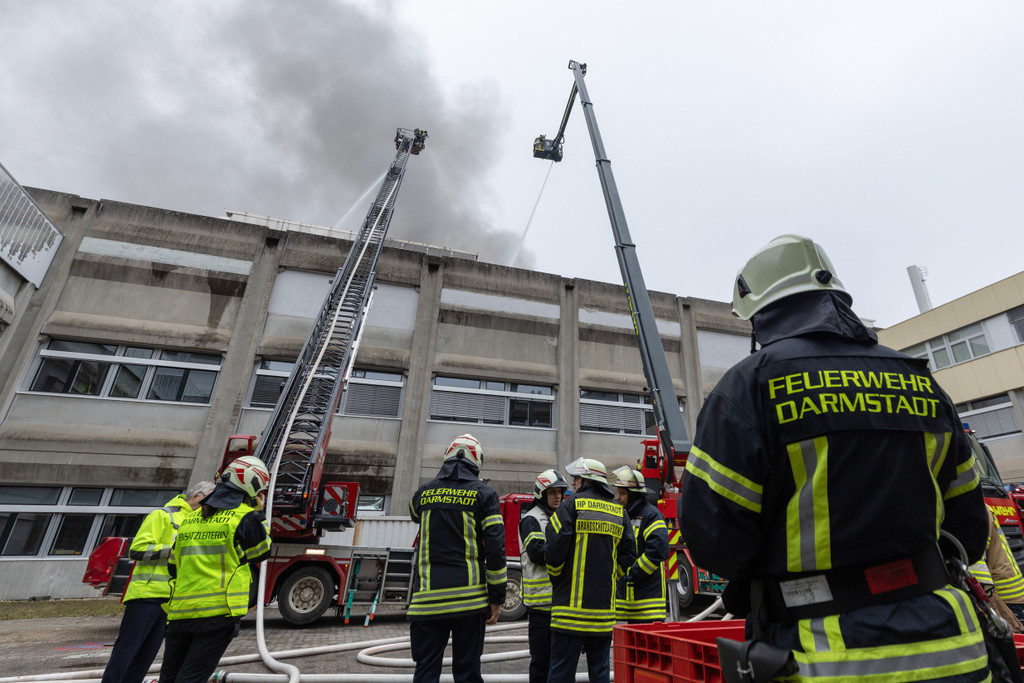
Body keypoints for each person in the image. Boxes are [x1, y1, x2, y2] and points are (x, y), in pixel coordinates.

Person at [678, 234, 991, 681]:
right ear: (836, 299)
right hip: (953, 647)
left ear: (760, 315)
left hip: (823, 656)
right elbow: (968, 528)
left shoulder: (750, 387)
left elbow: (713, 534)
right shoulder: (919, 381)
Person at [158, 456, 271, 683]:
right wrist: (260, 514)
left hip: (181, 613)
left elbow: (173, 566)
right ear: (253, 486)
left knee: (169, 677)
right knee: (192, 678)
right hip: (218, 614)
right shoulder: (243, 518)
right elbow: (260, 552)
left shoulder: (190, 519)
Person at [408, 434, 506, 683]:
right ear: (477, 461)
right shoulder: (485, 495)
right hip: (469, 603)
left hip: (426, 603)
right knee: (467, 673)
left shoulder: (423, 494)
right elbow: (495, 549)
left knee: (425, 672)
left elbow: (414, 514)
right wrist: (497, 598)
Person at [101, 481, 214, 683]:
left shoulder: (198, 522)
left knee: (146, 657)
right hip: (147, 595)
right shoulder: (162, 515)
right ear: (197, 496)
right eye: (210, 499)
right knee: (126, 652)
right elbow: (136, 550)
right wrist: (172, 549)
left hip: (171, 600)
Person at [545, 457, 635, 683]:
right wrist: (613, 576)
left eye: (575, 479)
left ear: (585, 481)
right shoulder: (619, 512)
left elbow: (555, 549)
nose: (573, 484)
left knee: (560, 675)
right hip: (603, 616)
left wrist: (556, 577)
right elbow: (629, 555)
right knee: (600, 674)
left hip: (569, 613)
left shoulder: (571, 505)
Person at [519, 468, 569, 683]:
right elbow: (537, 552)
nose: (558, 496)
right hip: (540, 605)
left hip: (560, 603)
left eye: (560, 492)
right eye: (552, 492)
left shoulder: (561, 517)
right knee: (541, 662)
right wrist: (567, 550)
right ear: (541, 494)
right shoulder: (531, 519)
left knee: (559, 663)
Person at [611, 466, 669, 623]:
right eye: (618, 493)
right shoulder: (623, 516)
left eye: (622, 494)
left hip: (648, 603)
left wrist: (631, 573)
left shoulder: (651, 515)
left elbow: (658, 551)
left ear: (634, 495)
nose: (618, 497)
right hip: (630, 603)